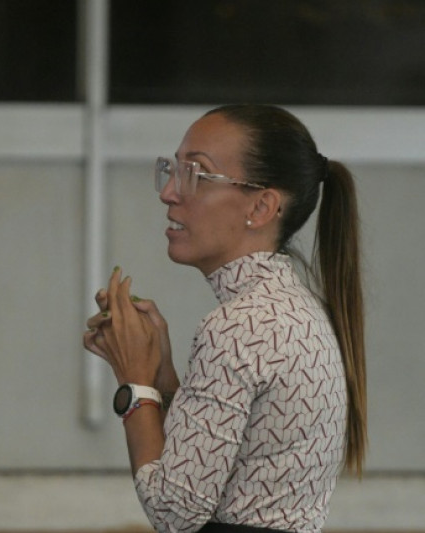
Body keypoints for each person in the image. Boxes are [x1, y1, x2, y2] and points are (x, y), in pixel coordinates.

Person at [83, 104, 366, 533]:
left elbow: (173, 512)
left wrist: (134, 382)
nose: (169, 193)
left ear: (262, 206)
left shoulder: (238, 327)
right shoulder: (297, 309)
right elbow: (214, 461)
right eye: (173, 170)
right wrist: (161, 375)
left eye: (196, 175)